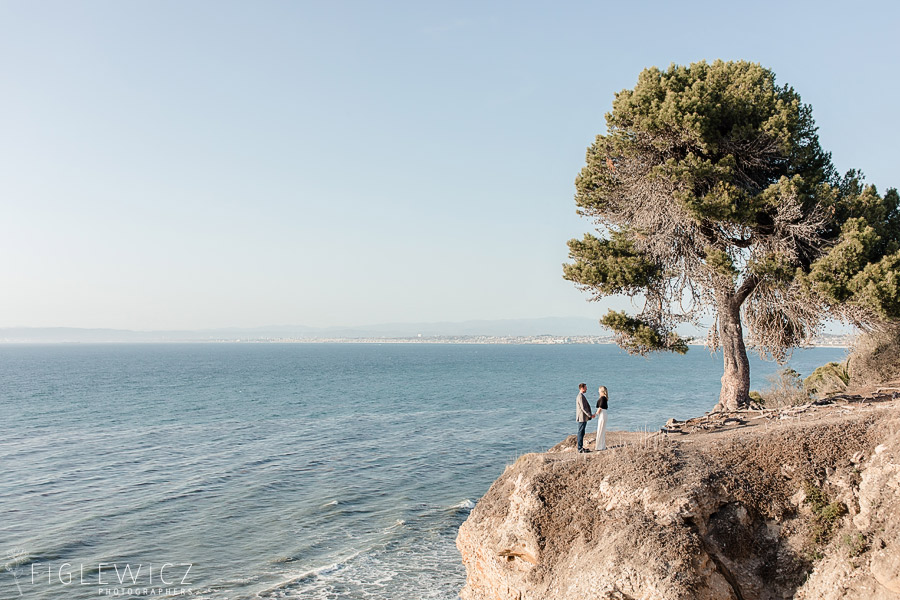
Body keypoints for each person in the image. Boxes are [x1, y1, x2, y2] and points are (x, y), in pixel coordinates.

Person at [575, 383, 594, 453]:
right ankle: (580, 448)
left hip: (583, 417)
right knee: (581, 432)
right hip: (581, 417)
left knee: (582, 432)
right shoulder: (580, 396)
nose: (586, 389)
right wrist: (590, 415)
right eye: (585, 387)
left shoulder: (581, 396)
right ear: (582, 388)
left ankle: (581, 447)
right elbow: (583, 408)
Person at [595, 386, 609, 451]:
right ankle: (602, 446)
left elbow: (600, 408)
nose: (598, 392)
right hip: (604, 414)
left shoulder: (603, 398)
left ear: (602, 391)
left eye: (599, 390)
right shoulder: (604, 398)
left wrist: (595, 414)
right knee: (602, 430)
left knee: (600, 429)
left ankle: (599, 446)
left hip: (602, 414)